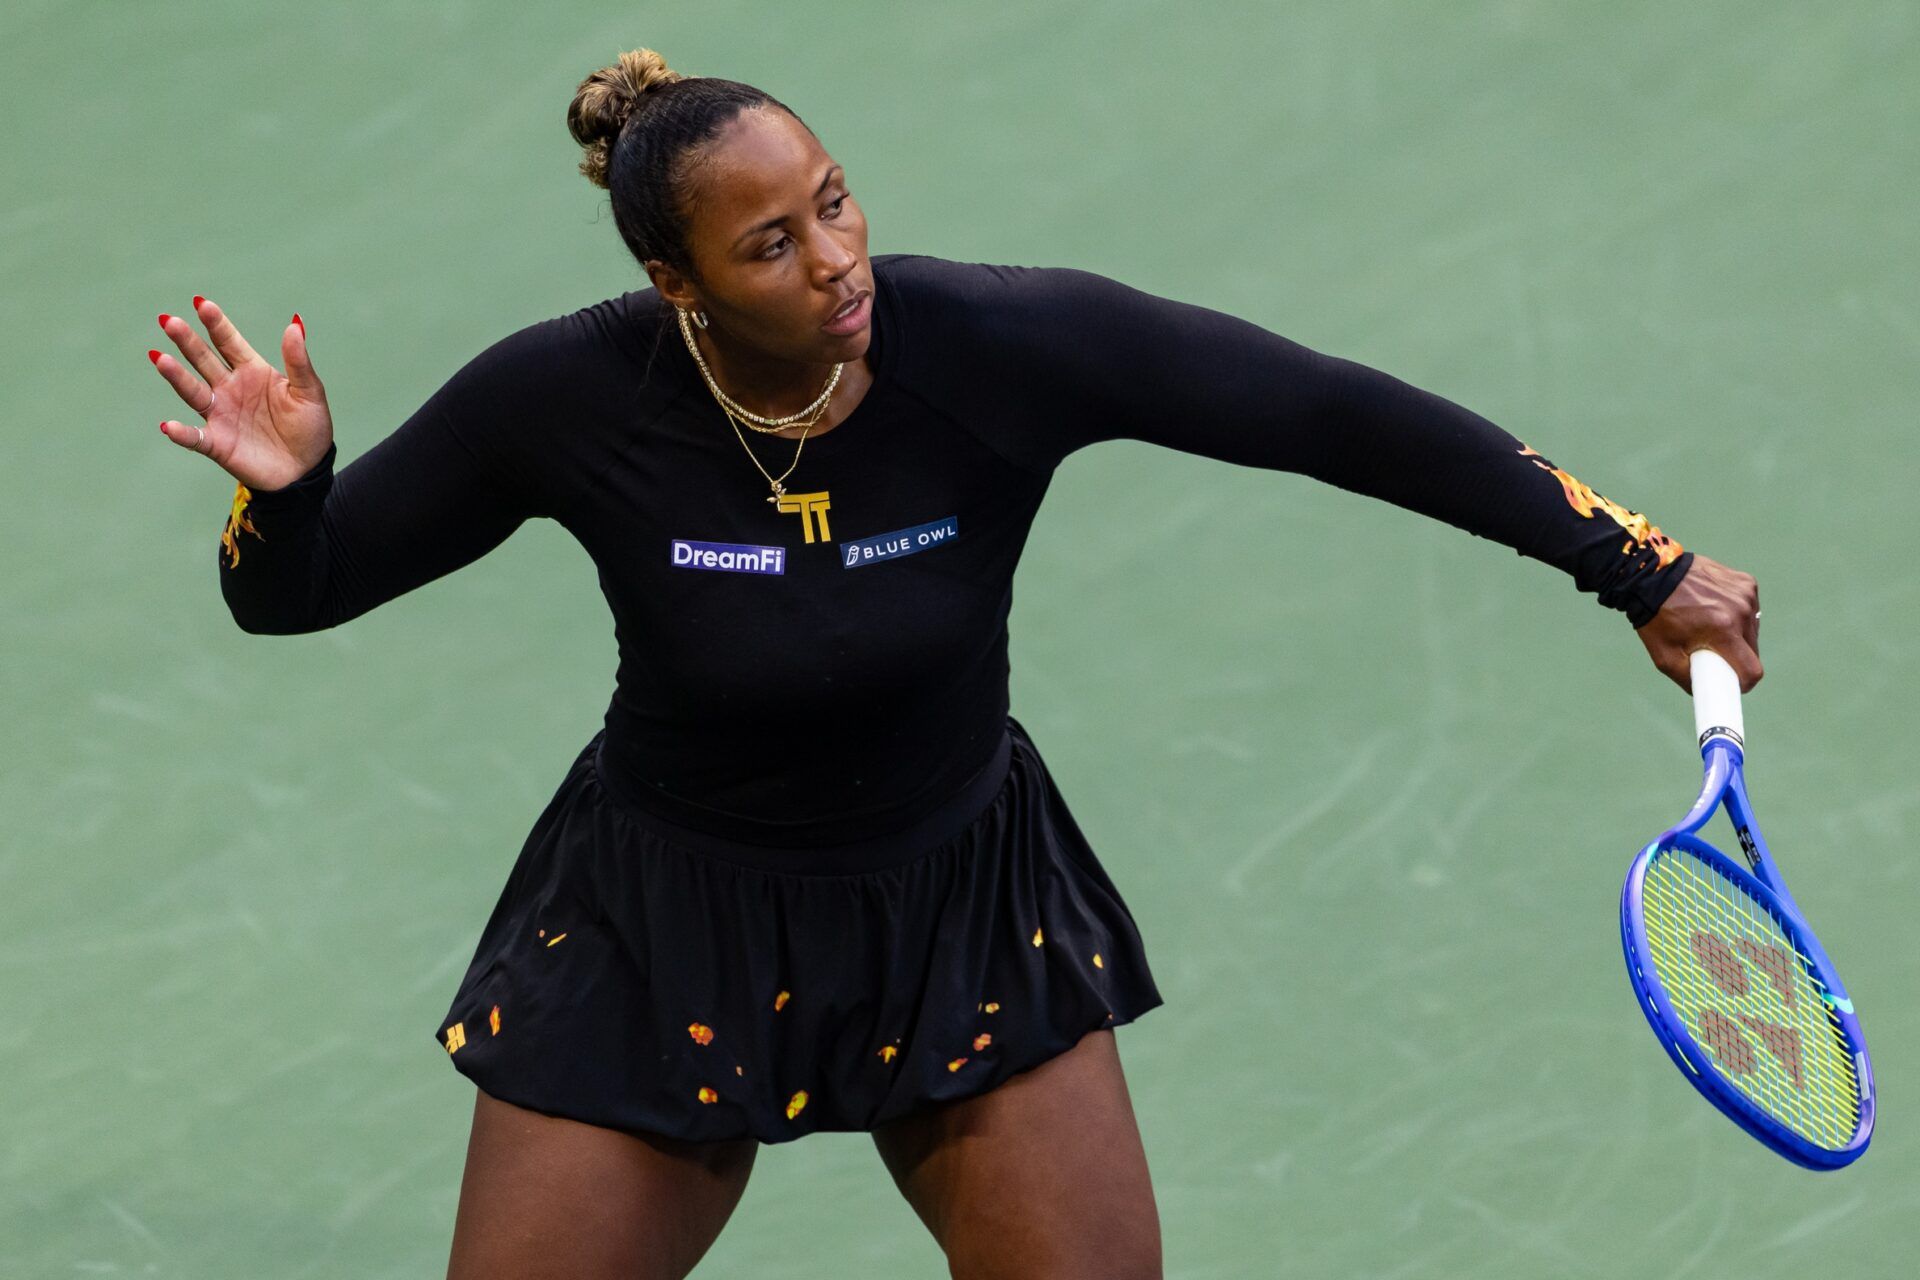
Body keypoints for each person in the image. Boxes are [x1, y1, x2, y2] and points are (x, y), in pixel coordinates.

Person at [146, 47, 1761, 1280]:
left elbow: (1329, 413)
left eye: (835, 200)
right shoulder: (571, 397)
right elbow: (300, 596)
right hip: (665, 928)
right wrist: (282, 502)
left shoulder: (1001, 344)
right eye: (769, 245)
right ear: (677, 284)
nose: (836, 258)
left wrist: (1634, 563)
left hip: (960, 907)